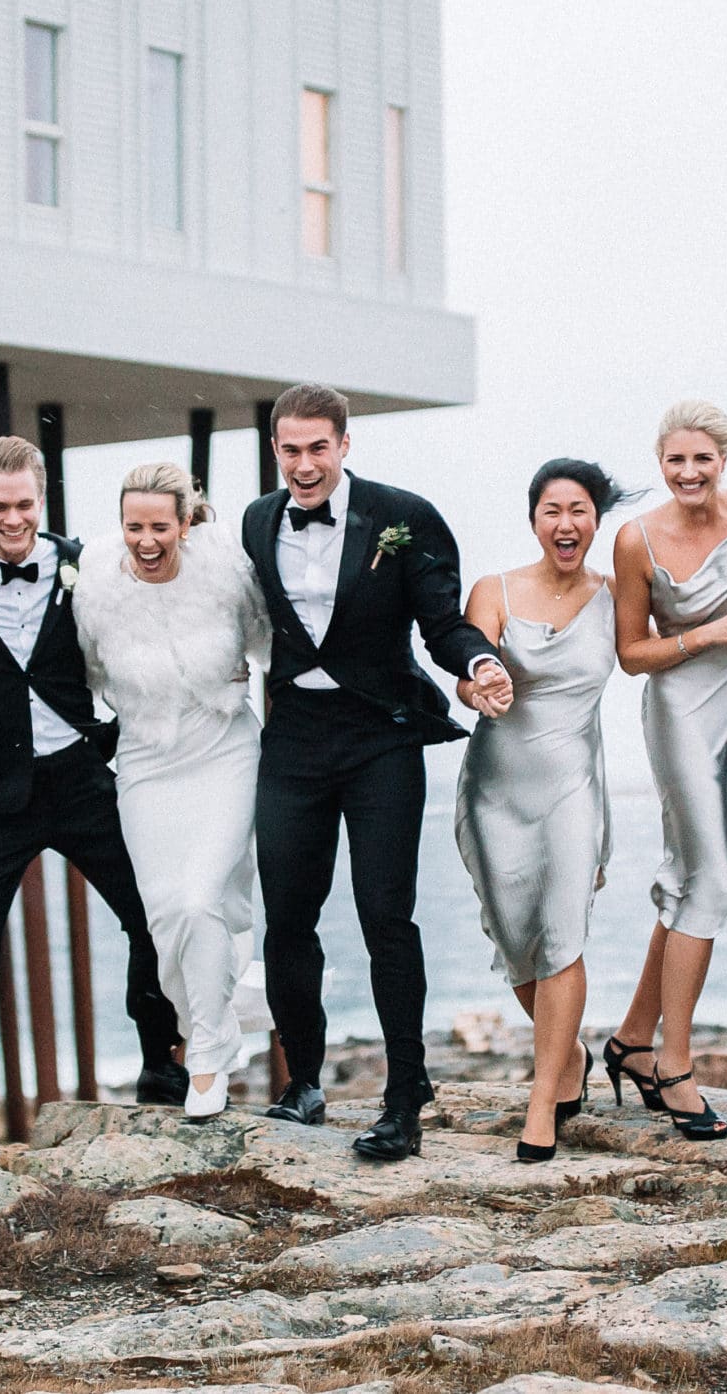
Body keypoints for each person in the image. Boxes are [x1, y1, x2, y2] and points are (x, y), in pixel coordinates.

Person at [243, 382, 513, 1161]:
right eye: (290, 451)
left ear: (344, 444)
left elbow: (441, 623)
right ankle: (303, 1080)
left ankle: (403, 1098)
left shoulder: (404, 516)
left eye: (317, 449)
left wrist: (480, 663)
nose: (304, 466)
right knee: (287, 917)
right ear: (275, 450)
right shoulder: (257, 520)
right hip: (293, 737)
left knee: (385, 915)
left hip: (379, 737)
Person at [0, 436, 184, 1151]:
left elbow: (156, 617)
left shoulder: (85, 563)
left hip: (80, 781)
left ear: (43, 500)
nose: (13, 519)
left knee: (152, 920)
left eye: (25, 505)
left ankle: (161, 1068)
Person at [602, 401, 727, 1142]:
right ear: (660, 462)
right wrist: (711, 631)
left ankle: (630, 1040)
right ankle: (674, 1066)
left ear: (724, 459)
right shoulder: (636, 539)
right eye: (675, 460)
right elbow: (631, 654)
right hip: (681, 710)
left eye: (702, 459)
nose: (688, 473)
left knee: (695, 880)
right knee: (710, 883)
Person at [74, 462, 272, 1121]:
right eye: (134, 526)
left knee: (199, 899)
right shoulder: (96, 582)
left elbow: (269, 642)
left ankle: (207, 1052)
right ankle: (211, 1018)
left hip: (222, 748)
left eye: (160, 526)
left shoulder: (224, 569)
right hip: (145, 760)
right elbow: (90, 669)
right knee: (164, 918)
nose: (146, 540)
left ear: (186, 523)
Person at [452, 459, 631, 1162]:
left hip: (572, 789)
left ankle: (542, 1097)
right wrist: (480, 686)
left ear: (596, 521)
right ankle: (573, 1056)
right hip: (495, 789)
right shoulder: (493, 589)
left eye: (579, 510)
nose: (566, 523)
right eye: (553, 510)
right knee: (516, 944)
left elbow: (655, 650)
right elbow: (468, 669)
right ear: (534, 520)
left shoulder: (617, 595)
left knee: (563, 936)